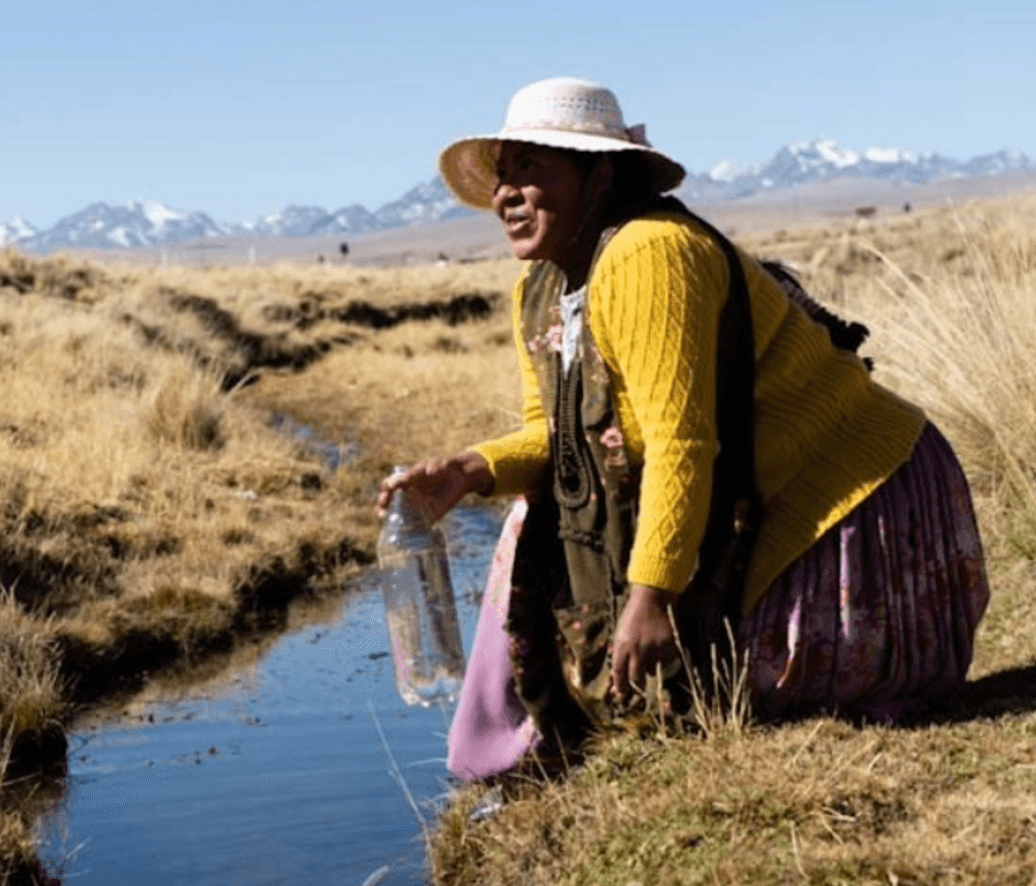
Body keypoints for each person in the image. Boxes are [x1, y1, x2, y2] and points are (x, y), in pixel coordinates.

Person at [377, 77, 989, 781]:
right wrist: (470, 469)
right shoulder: (541, 288)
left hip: (848, 492)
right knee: (527, 521)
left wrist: (652, 596)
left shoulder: (651, 253)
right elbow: (561, 438)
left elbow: (681, 441)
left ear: (599, 177)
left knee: (727, 699)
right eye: (502, 175)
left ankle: (544, 741)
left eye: (532, 170)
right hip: (745, 488)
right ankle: (519, 744)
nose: (506, 195)